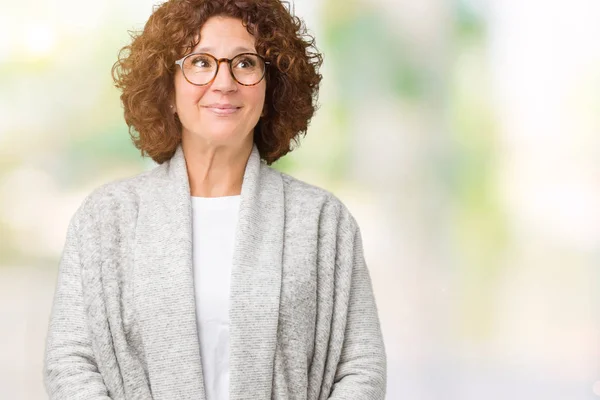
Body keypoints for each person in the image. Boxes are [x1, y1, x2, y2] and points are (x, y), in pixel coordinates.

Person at [43, 0, 387, 399]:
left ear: (270, 88)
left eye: (245, 63)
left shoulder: (322, 221)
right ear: (166, 88)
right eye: (200, 62)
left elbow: (360, 367)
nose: (224, 83)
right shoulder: (106, 218)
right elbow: (70, 361)